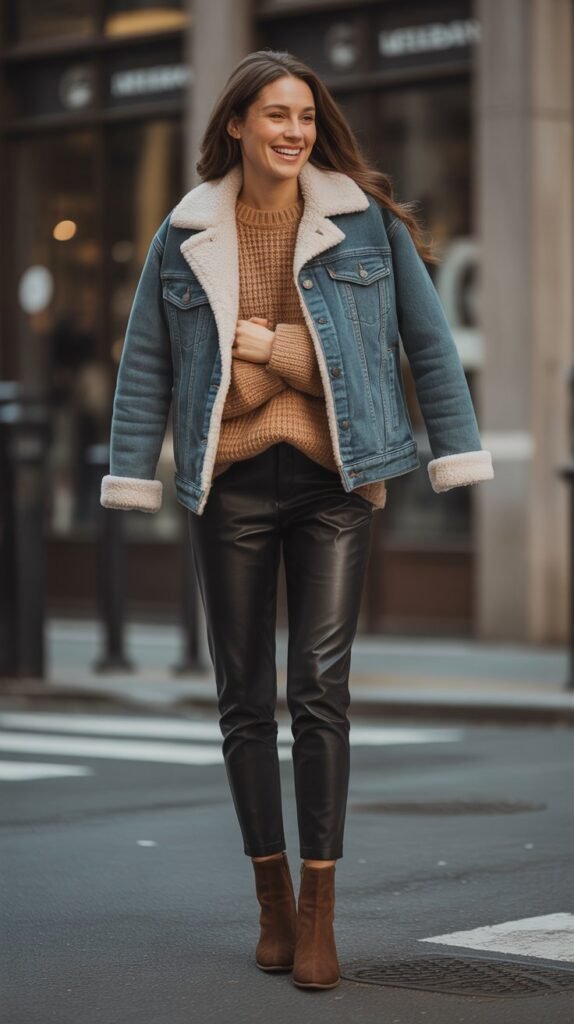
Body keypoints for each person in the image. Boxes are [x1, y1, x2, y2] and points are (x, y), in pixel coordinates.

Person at [100, 49, 494, 990]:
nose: (293, 132)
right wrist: (129, 474)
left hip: (334, 483)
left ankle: (320, 911)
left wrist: (274, 351)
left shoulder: (362, 223)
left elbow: (424, 345)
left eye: (306, 117)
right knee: (244, 696)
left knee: (317, 687)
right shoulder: (186, 231)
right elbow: (146, 362)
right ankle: (270, 898)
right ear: (235, 124)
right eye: (274, 115)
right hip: (228, 485)